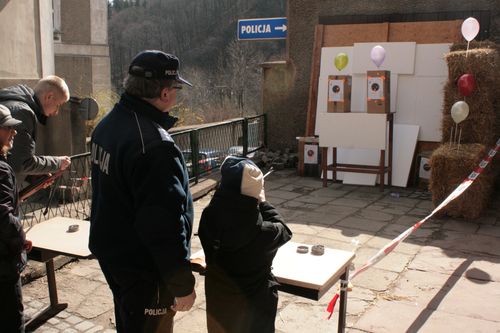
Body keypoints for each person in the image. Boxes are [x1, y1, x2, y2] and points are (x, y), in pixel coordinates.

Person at [89, 50, 196, 333]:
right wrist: (182, 285)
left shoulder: (107, 125)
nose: (176, 94)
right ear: (164, 94)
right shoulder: (154, 146)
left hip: (115, 253)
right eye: (176, 88)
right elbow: (162, 225)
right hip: (144, 266)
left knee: (131, 320)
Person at [198, 156, 293, 333]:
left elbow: (225, 209)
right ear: (254, 196)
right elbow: (284, 230)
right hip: (254, 311)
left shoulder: (208, 218)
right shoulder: (263, 233)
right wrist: (263, 202)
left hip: (218, 303)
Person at [0, 75, 72, 190]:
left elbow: (11, 161)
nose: (56, 112)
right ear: (49, 96)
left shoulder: (14, 103)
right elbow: (21, 163)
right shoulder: (23, 112)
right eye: (58, 105)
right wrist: (57, 163)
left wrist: (32, 179)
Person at [0, 104, 32, 332]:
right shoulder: (1, 169)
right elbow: (3, 216)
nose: (14, 132)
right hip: (2, 265)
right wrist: (20, 239)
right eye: (7, 127)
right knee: (11, 321)